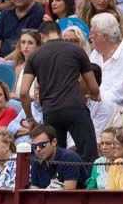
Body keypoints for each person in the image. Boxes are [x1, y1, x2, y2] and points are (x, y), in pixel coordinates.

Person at [20, 28, 101, 160]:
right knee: (89, 154)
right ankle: (89, 181)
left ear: (42, 36)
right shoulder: (77, 50)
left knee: (56, 156)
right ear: (59, 33)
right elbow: (93, 87)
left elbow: (23, 93)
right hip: (75, 108)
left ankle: (60, 180)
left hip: (50, 111)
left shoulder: (34, 56)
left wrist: (30, 118)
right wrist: (94, 95)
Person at [29, 124, 86, 189]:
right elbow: (34, 190)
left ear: (54, 142)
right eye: (34, 146)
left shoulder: (69, 157)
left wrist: (55, 187)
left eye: (42, 145)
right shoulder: (36, 161)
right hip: (46, 198)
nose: (38, 149)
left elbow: (69, 190)